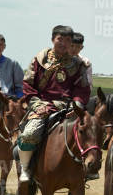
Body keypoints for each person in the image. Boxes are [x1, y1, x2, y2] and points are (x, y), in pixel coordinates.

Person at [16, 24, 92, 182]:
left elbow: (82, 89)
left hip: (68, 108)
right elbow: (28, 84)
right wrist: (37, 104)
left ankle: (87, 170)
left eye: (67, 40)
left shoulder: (78, 65)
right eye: (60, 39)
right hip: (42, 105)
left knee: (89, 133)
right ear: (52, 39)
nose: (63, 43)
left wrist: (76, 105)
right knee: (30, 133)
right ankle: (25, 168)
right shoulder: (40, 59)